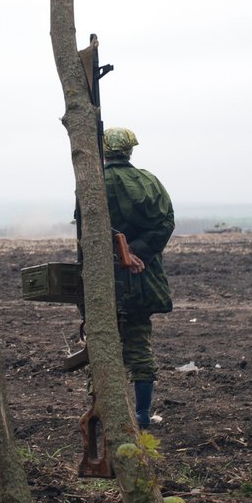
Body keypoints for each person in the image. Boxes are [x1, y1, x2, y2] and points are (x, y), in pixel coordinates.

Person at [102, 126, 175, 429]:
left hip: (104, 277)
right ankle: (142, 415)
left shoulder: (94, 182)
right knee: (139, 345)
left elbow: (88, 232)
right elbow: (166, 223)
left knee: (100, 345)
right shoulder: (149, 182)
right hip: (142, 275)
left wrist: (121, 253)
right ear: (130, 150)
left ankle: (107, 414)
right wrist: (136, 253)